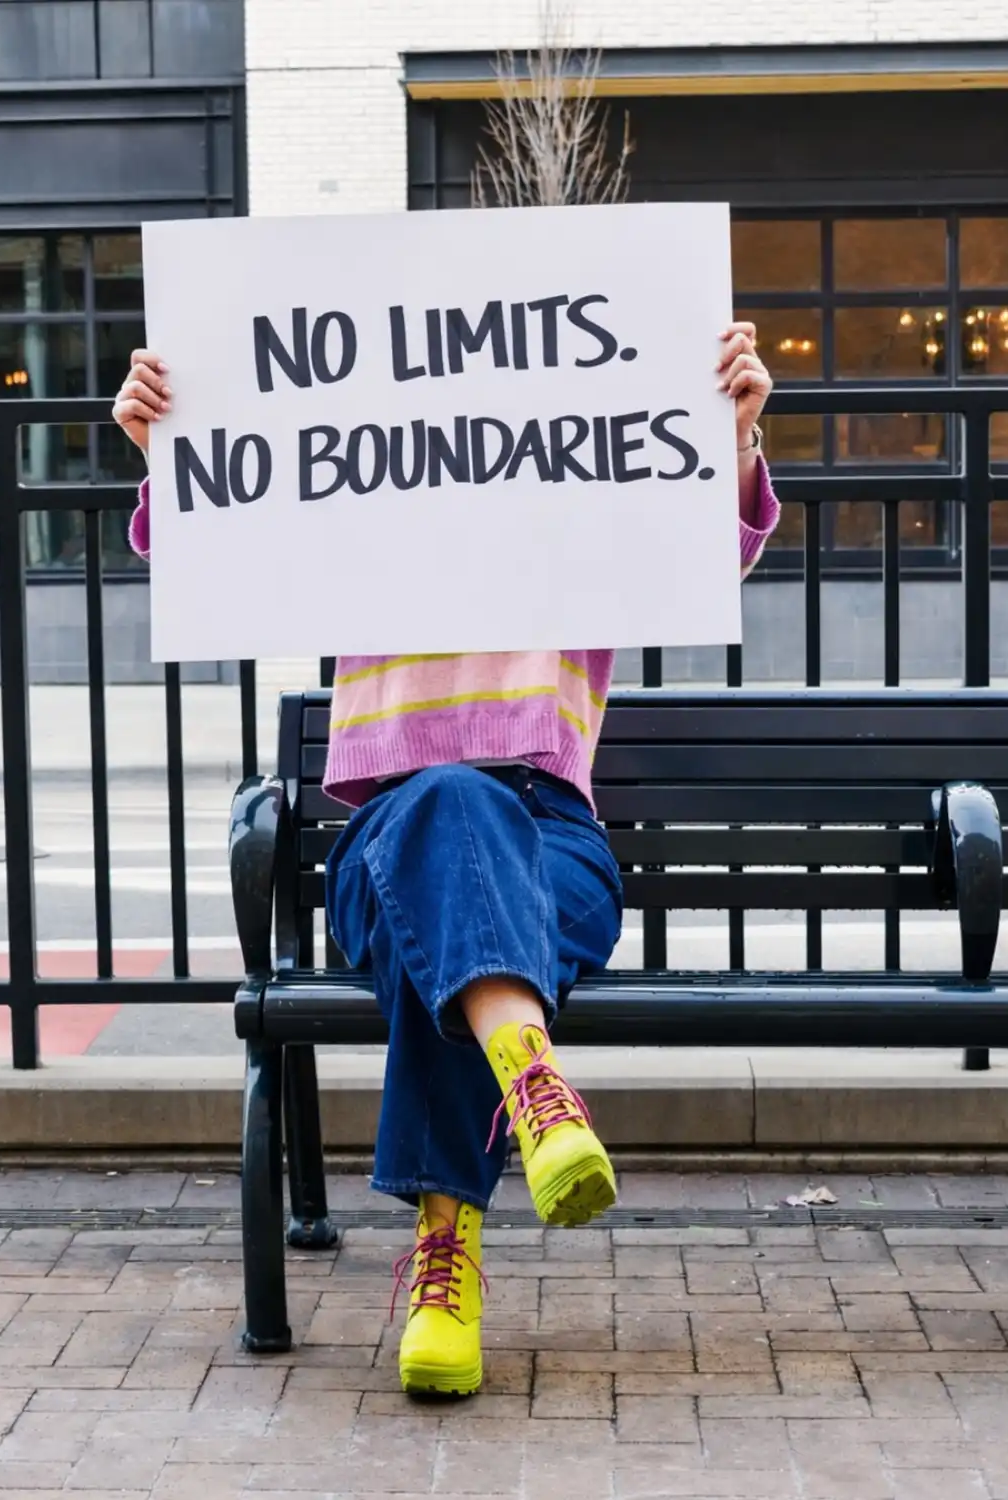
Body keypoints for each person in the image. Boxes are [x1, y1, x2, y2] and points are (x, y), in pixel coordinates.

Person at [112, 324, 778, 1398]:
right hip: (390, 843)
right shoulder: (366, 501)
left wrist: (733, 441)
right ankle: (532, 1086)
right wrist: (170, 449)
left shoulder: (580, 512)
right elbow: (228, 559)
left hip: (554, 847)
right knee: (450, 805)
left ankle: (445, 1263)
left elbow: (701, 562)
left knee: (461, 936)